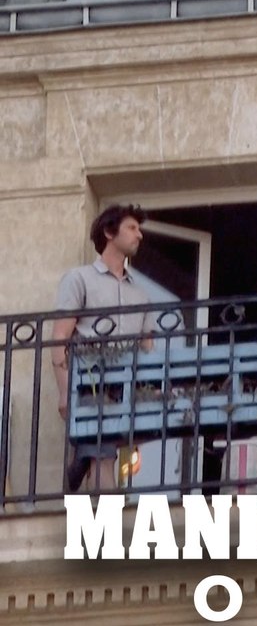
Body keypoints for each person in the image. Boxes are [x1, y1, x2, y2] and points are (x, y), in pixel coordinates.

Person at [50, 204, 153, 492]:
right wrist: (63, 390)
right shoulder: (80, 279)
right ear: (110, 232)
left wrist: (154, 391)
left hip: (128, 385)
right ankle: (109, 522)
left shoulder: (141, 295)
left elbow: (148, 348)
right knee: (101, 454)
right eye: (132, 228)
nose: (139, 235)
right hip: (91, 381)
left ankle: (79, 465)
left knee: (101, 450)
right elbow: (60, 337)